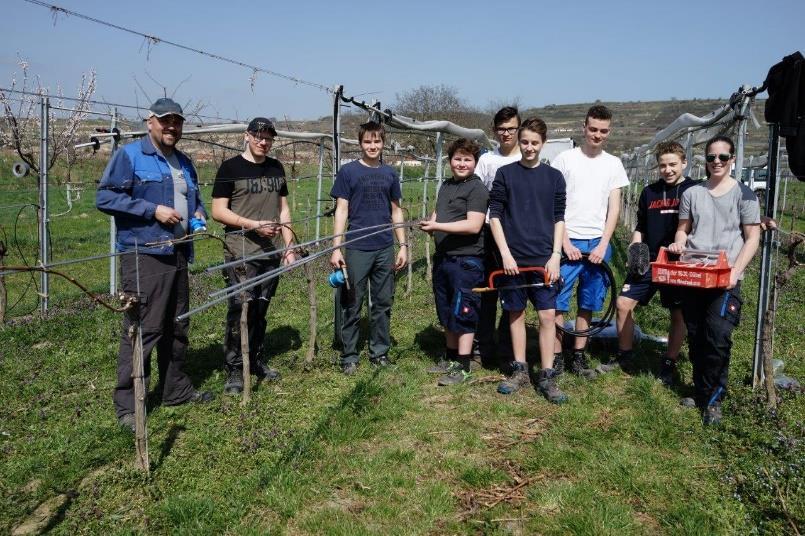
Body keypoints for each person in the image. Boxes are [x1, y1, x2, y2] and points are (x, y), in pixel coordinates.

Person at [96, 97, 213, 432]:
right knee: (144, 328)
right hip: (144, 253)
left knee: (177, 324)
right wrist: (153, 211)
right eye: (165, 121)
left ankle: (175, 389)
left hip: (178, 251)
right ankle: (129, 405)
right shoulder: (131, 156)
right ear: (150, 122)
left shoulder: (185, 162)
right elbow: (105, 198)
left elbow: (196, 201)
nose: (171, 127)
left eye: (177, 121)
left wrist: (198, 215)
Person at [669, 135, 760, 425]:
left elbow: (752, 237)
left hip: (725, 278)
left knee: (718, 336)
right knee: (696, 334)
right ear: (705, 161)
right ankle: (700, 391)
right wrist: (679, 242)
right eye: (711, 158)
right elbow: (683, 229)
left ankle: (714, 399)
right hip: (695, 274)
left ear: (732, 159)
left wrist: (735, 271)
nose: (717, 162)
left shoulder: (745, 195)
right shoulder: (692, 194)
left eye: (723, 157)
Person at [211, 117, 298, 395]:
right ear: (247, 136)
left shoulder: (276, 167)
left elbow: (283, 210)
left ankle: (255, 360)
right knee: (240, 309)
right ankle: (235, 368)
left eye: (269, 138)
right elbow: (218, 211)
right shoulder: (230, 168)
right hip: (241, 252)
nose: (264, 142)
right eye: (259, 137)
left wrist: (289, 246)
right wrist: (253, 224)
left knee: (260, 308)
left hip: (270, 253)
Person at [488, 117, 568, 403]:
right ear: (518, 142)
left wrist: (556, 255)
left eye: (535, 143)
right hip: (513, 258)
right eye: (525, 142)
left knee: (547, 315)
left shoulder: (554, 177)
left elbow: (559, 218)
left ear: (543, 144)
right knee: (516, 313)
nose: (529, 147)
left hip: (544, 258)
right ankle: (520, 369)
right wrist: (506, 253)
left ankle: (546, 374)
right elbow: (494, 216)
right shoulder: (505, 174)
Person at [609, 141, 697, 384]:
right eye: (662, 165)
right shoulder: (650, 192)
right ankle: (625, 354)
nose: (667, 170)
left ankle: (669, 361)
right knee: (623, 303)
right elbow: (641, 226)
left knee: (677, 313)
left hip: (678, 263)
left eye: (673, 164)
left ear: (684, 163)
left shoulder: (695, 190)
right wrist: (635, 249)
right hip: (648, 261)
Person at [551, 105, 629, 378]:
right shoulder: (564, 160)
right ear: (584, 128)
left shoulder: (613, 164)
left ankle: (578, 355)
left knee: (589, 301)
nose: (597, 135)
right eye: (593, 129)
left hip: (597, 241)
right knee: (558, 301)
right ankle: (557, 355)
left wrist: (602, 244)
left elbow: (614, 210)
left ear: (609, 132)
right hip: (567, 241)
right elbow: (555, 204)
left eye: (603, 131)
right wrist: (566, 242)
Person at [330, 121, 408, 375]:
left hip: (384, 246)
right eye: (367, 142)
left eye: (377, 141)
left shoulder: (389, 174)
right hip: (356, 247)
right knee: (352, 301)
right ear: (360, 143)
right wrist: (336, 248)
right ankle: (350, 355)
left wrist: (402, 245)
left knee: (383, 302)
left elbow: (396, 212)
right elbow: (341, 211)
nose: (372, 146)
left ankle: (379, 352)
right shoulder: (349, 172)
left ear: (383, 143)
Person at [420, 138, 488, 386]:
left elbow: (473, 225)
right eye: (457, 159)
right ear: (450, 161)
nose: (461, 163)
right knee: (446, 308)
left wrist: (437, 225)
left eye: (467, 159)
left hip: (466, 260)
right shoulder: (446, 185)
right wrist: (432, 223)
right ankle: (449, 357)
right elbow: (439, 213)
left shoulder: (477, 189)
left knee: (464, 310)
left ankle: (464, 365)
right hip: (444, 257)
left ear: (475, 162)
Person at [472, 106, 522, 368]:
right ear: (494, 130)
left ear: (518, 129)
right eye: (501, 129)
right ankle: (483, 346)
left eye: (511, 129)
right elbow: (477, 194)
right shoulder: (486, 160)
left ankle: (506, 346)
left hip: (517, 234)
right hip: (490, 233)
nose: (506, 133)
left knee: (512, 292)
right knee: (488, 289)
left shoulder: (525, 158)